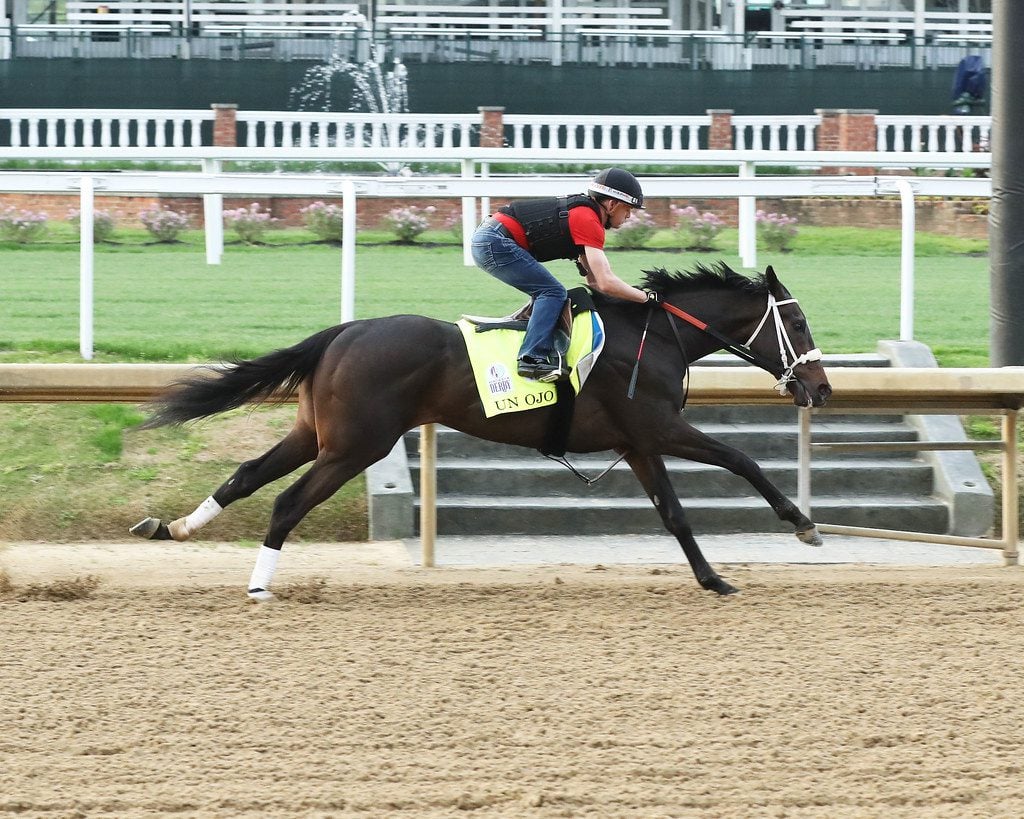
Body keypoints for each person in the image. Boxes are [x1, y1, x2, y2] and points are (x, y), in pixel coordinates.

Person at [471, 167, 656, 383]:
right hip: (495, 241)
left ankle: (536, 342)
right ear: (612, 204)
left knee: (549, 292)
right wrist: (646, 298)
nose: (629, 216)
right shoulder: (588, 220)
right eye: (628, 209)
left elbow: (594, 281)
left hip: (491, 238)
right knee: (552, 292)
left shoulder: (585, 215)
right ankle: (531, 359)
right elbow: (606, 282)